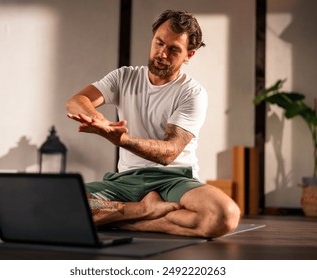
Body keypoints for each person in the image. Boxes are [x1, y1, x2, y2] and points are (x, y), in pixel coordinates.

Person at [66, 10, 240, 238]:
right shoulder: (124, 77)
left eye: (173, 49)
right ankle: (142, 211)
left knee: (224, 215)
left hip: (174, 180)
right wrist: (102, 123)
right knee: (55, 203)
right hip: (125, 182)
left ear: (189, 55)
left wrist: (121, 139)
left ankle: (122, 219)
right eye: (159, 43)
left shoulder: (192, 93)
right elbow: (77, 101)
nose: (162, 54)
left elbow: (169, 152)